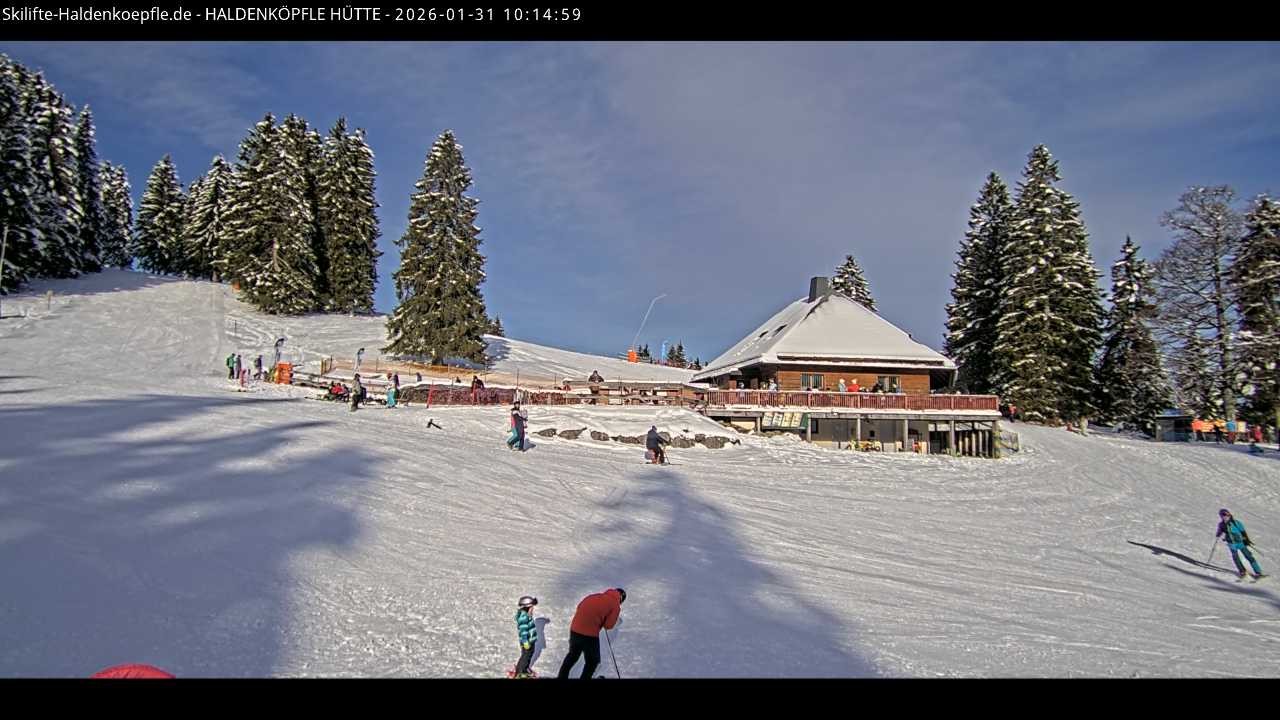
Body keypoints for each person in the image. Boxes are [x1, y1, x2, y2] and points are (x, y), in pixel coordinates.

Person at [557, 588, 625, 679]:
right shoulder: (615, 605)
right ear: (621, 598)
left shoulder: (595, 596)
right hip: (590, 634)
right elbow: (608, 625)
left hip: (575, 628)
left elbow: (579, 606)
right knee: (593, 662)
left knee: (572, 656)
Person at [1216, 509, 1265, 579]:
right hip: (1231, 544)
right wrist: (1218, 534)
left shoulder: (1236, 523)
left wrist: (1247, 540)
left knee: (1248, 556)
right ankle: (1242, 571)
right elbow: (1219, 532)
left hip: (1240, 543)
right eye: (1223, 515)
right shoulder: (1221, 525)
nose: (1226, 516)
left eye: (1227, 515)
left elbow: (1243, 532)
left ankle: (1258, 572)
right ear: (1221, 516)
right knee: (1236, 558)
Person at [513, 595, 539, 678]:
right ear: (526, 608)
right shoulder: (524, 618)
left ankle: (525, 668)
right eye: (531, 608)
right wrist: (525, 642)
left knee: (529, 655)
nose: (533, 609)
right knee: (525, 656)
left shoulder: (527, 616)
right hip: (526, 641)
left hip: (530, 640)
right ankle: (520, 672)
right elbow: (523, 631)